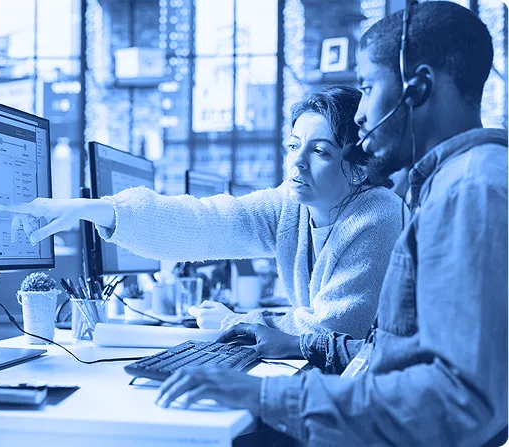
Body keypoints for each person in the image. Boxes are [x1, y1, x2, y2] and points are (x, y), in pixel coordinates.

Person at [155, 2, 508, 446]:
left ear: (418, 88)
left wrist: (267, 394)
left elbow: (458, 402)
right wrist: (305, 344)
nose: (360, 117)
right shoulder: (455, 184)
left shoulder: (469, 193)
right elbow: (404, 358)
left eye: (368, 85)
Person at [0, 85, 403, 339]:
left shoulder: (378, 215)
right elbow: (202, 222)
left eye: (320, 151)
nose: (297, 163)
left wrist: (237, 323)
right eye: (294, 145)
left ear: (359, 166)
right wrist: (93, 210)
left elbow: (332, 330)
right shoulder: (289, 205)